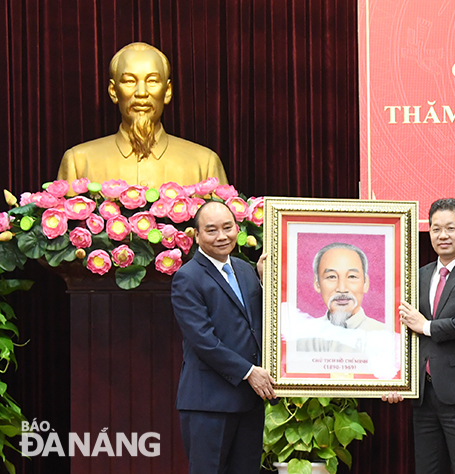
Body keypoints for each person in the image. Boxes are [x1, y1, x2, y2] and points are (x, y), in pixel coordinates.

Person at [383, 198, 455, 474]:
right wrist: (395, 378)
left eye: (450, 228)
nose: (442, 235)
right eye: (435, 229)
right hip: (423, 394)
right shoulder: (418, 276)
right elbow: (401, 331)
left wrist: (426, 326)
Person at [171, 201, 274, 474]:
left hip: (249, 401)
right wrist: (250, 372)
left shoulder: (244, 269)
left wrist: (264, 283)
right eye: (211, 230)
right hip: (209, 404)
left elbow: (255, 324)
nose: (221, 236)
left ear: (237, 229)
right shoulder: (187, 278)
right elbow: (203, 340)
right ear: (196, 236)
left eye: (227, 228)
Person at [57, 42, 228, 191]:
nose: (141, 93)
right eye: (129, 81)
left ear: (167, 91)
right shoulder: (79, 162)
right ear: (113, 91)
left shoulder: (204, 164)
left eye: (152, 81)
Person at [294, 242, 386, 352]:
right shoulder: (300, 337)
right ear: (317, 284)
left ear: (365, 283)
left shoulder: (385, 335)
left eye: (352, 276)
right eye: (331, 277)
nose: (342, 289)